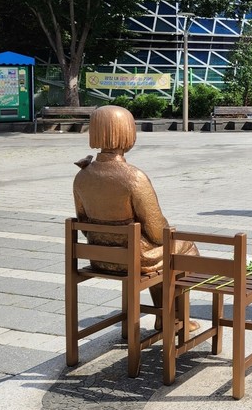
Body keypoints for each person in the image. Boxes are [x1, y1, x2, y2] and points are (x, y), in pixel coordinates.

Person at [73, 105, 198, 331]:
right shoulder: (134, 177)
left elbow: (82, 224)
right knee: (184, 248)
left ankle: (165, 316)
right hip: (132, 259)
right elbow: (157, 233)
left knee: (158, 253)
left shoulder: (81, 177)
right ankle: (173, 317)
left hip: (99, 258)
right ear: (127, 134)